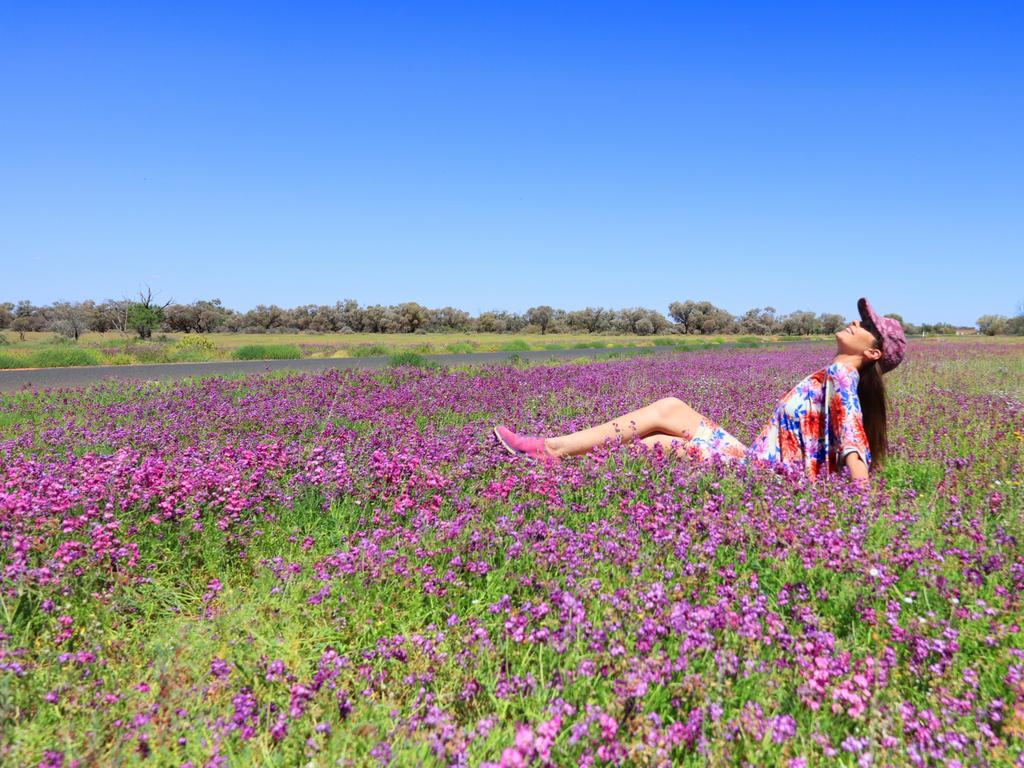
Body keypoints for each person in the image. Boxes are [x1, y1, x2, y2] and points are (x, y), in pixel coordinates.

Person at [494, 298, 906, 485]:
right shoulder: (832, 373)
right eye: (860, 318)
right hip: (754, 462)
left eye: (865, 326)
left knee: (656, 442)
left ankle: (550, 467)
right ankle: (551, 453)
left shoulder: (844, 379)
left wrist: (859, 509)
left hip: (764, 479)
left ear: (872, 351)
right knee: (671, 407)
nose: (856, 323)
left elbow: (853, 441)